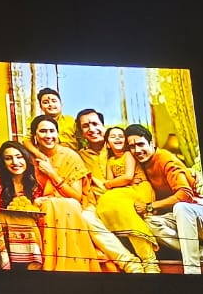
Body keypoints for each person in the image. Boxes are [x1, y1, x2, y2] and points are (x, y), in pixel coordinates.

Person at [25, 115, 144, 273]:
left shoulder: (74, 155)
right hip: (44, 206)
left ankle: (128, 262)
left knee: (85, 217)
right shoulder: (29, 158)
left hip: (82, 204)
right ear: (34, 135)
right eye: (43, 131)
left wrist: (52, 174)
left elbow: (77, 197)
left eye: (52, 131)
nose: (48, 135)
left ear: (58, 134)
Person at [96, 124, 203, 274]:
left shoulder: (165, 159)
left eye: (141, 144)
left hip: (200, 213)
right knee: (149, 223)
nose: (137, 150)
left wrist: (150, 206)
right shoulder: (142, 163)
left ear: (152, 142)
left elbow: (185, 195)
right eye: (132, 146)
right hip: (179, 219)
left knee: (181, 207)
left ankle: (192, 272)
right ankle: (200, 251)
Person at [0, 140, 46, 270]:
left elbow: (36, 210)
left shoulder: (33, 182)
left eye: (19, 157)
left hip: (29, 228)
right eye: (8, 158)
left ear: (26, 159)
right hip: (2, 226)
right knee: (2, 218)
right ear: (2, 162)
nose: (15, 162)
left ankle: (32, 264)